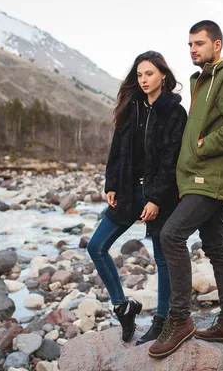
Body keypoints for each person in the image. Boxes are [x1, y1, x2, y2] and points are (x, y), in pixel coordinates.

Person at [148, 20, 223, 358]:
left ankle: (180, 320)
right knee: (215, 247)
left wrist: (202, 145)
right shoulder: (201, 80)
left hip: (210, 178)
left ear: (217, 45)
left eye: (199, 43)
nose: (193, 49)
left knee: (171, 235)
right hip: (199, 177)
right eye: (190, 44)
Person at [87, 50, 187, 344]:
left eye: (150, 74)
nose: (143, 80)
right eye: (140, 75)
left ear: (163, 76)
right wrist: (111, 185)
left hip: (159, 195)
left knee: (162, 258)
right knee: (96, 246)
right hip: (129, 190)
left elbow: (172, 160)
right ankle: (123, 307)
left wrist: (156, 198)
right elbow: (116, 150)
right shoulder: (131, 107)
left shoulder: (174, 112)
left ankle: (162, 320)